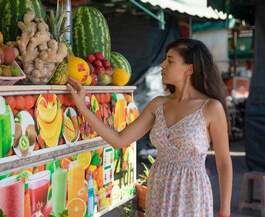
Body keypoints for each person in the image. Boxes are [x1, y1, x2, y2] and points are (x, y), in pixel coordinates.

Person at [67, 38, 233, 217]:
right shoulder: (158, 105)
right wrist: (82, 108)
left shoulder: (211, 108)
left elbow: (223, 162)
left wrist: (225, 209)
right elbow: (119, 140)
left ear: (189, 69)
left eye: (169, 60)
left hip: (191, 193)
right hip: (158, 188)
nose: (162, 65)